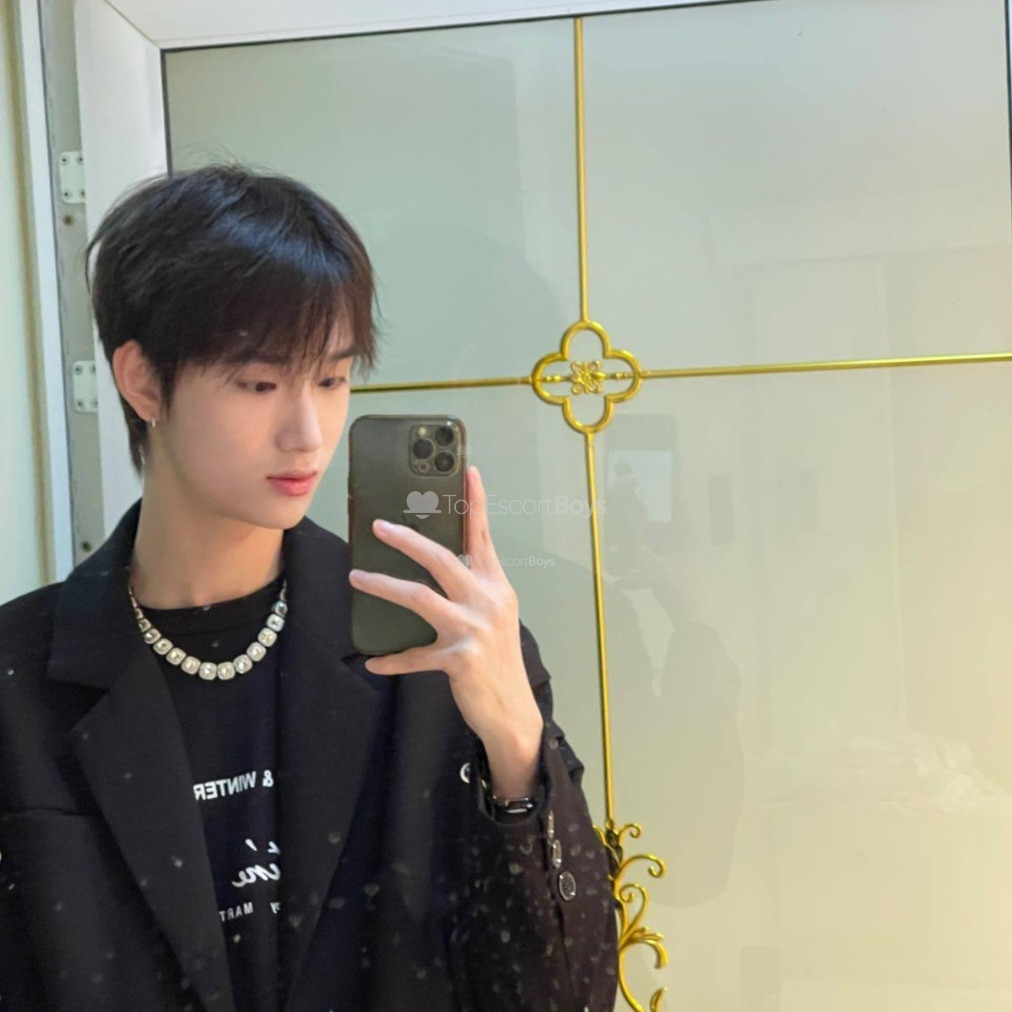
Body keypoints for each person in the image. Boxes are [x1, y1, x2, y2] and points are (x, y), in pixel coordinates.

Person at [0, 165, 618, 1011]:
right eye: (259, 384)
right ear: (142, 381)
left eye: (330, 379)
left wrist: (515, 737)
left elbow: (567, 994)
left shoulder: (431, 647)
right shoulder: (20, 682)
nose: (308, 433)